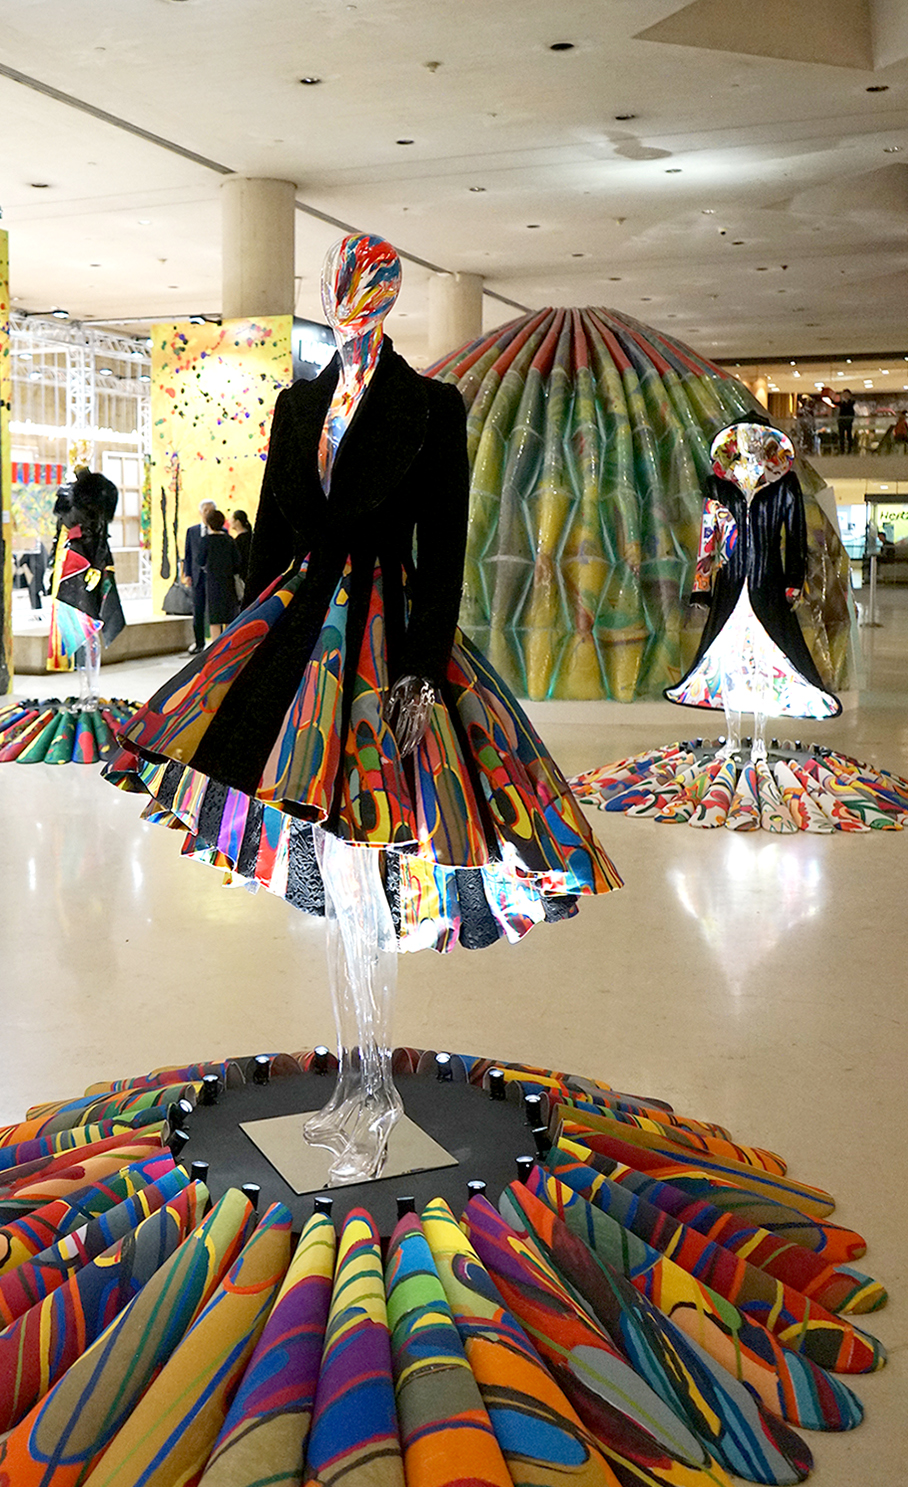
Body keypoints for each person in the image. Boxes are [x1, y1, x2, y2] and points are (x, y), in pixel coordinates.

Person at [107, 233, 620, 1181]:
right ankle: (358, 1082)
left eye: (367, 284)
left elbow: (446, 547)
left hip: (387, 646)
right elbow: (272, 536)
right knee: (339, 876)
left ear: (389, 295)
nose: (350, 298)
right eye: (340, 284)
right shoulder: (296, 404)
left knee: (370, 864)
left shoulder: (432, 406)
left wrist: (420, 670)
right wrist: (245, 653)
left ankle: (375, 1082)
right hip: (300, 636)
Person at [664, 420, 841, 763]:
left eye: (757, 437)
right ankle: (732, 739)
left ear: (767, 442)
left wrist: (793, 582)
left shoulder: (783, 484)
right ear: (734, 442)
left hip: (768, 585)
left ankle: (759, 740)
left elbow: (796, 535)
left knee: (764, 668)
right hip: (730, 586)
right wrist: (702, 588)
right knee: (730, 667)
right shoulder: (719, 486)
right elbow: (709, 537)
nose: (751, 442)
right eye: (744, 437)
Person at [47, 467, 125, 698]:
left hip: (86, 562)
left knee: (90, 625)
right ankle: (87, 687)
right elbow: (60, 534)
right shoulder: (81, 496)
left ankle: (91, 687)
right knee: (80, 627)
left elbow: (98, 536)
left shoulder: (95, 496)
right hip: (76, 563)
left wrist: (98, 566)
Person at [196, 509, 240, 639]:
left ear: (208, 524)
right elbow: (237, 562)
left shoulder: (206, 541)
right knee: (229, 616)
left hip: (213, 583)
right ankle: (229, 644)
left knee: (215, 618)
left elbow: (199, 560)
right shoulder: (229, 540)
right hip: (228, 582)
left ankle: (216, 645)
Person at [182, 498, 215, 654]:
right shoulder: (192, 531)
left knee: (214, 611)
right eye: (206, 510)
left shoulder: (221, 531)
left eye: (211, 511)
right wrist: (188, 573)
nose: (208, 513)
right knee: (198, 610)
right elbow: (188, 554)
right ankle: (199, 643)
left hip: (214, 578)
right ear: (200, 512)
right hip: (197, 577)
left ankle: (216, 642)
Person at [229, 509, 252, 579]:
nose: (229, 522)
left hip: (243, 575)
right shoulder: (251, 536)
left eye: (232, 519)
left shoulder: (238, 541)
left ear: (237, 522)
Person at [837, 390, 855, 455]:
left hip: (848, 422)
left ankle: (849, 450)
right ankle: (842, 450)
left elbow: (850, 409)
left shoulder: (851, 403)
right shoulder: (841, 403)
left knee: (849, 436)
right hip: (841, 422)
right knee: (841, 436)